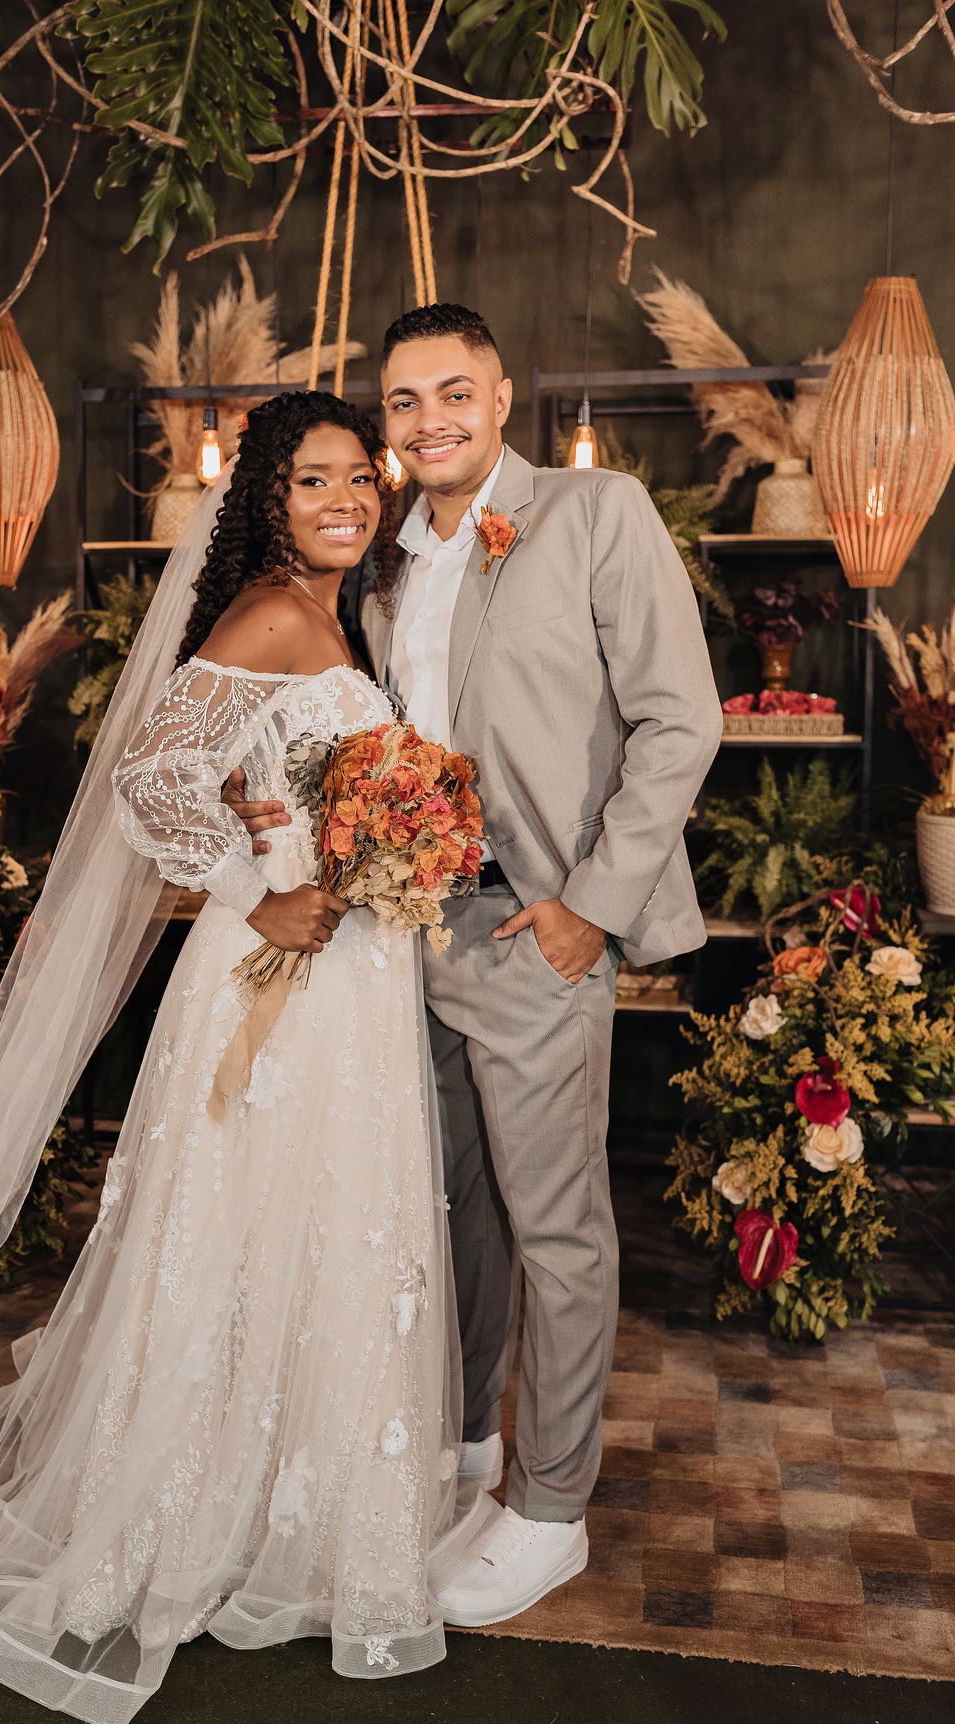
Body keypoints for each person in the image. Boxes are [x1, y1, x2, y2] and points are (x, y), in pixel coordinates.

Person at [0, 391, 499, 1724]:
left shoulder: (335, 614)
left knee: (325, 1228)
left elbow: (284, 777)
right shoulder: (273, 612)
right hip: (278, 970)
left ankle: (306, 1514)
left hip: (350, 973)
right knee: (241, 1225)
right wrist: (259, 893)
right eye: (315, 479)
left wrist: (383, 850)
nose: (346, 498)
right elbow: (150, 776)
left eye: (359, 477)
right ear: (268, 500)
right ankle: (193, 1509)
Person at [228, 305, 722, 1628]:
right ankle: (459, 1453)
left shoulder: (595, 514)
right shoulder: (382, 563)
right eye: (404, 401)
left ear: (503, 398)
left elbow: (682, 720)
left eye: (455, 392)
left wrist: (588, 910)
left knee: (555, 1226)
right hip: (408, 926)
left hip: (535, 927)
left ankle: (551, 1508)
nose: (429, 420)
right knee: (448, 1205)